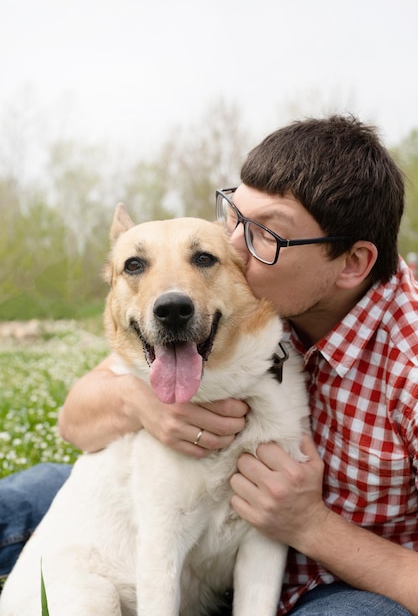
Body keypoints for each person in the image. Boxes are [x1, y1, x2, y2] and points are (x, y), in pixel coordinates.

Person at [7, 114, 418, 615]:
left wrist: (309, 525)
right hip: (175, 516)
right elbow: (74, 420)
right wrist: (144, 403)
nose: (232, 247)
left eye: (268, 234)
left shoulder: (404, 362)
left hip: (335, 578)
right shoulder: (248, 298)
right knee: (30, 494)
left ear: (351, 264)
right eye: (234, 216)